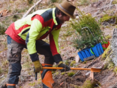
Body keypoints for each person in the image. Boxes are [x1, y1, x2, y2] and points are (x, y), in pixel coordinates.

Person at [2, 0, 76, 88]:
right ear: (60, 13)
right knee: (15, 65)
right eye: (67, 17)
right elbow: (30, 39)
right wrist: (35, 61)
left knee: (49, 52)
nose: (68, 20)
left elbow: (54, 42)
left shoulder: (58, 23)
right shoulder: (42, 18)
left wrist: (59, 61)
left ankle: (47, 83)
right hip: (16, 35)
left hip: (30, 37)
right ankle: (10, 86)